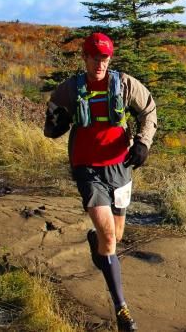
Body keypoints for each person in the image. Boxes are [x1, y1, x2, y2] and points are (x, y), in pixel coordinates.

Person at [43, 32, 156, 332]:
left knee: (115, 237)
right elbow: (52, 119)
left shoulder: (125, 84)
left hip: (120, 168)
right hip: (87, 169)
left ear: (110, 58)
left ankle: (98, 245)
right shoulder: (71, 89)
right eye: (94, 57)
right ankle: (122, 310)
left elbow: (148, 110)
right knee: (108, 237)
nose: (99, 62)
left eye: (104, 57)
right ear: (85, 57)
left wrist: (142, 144)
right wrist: (57, 123)